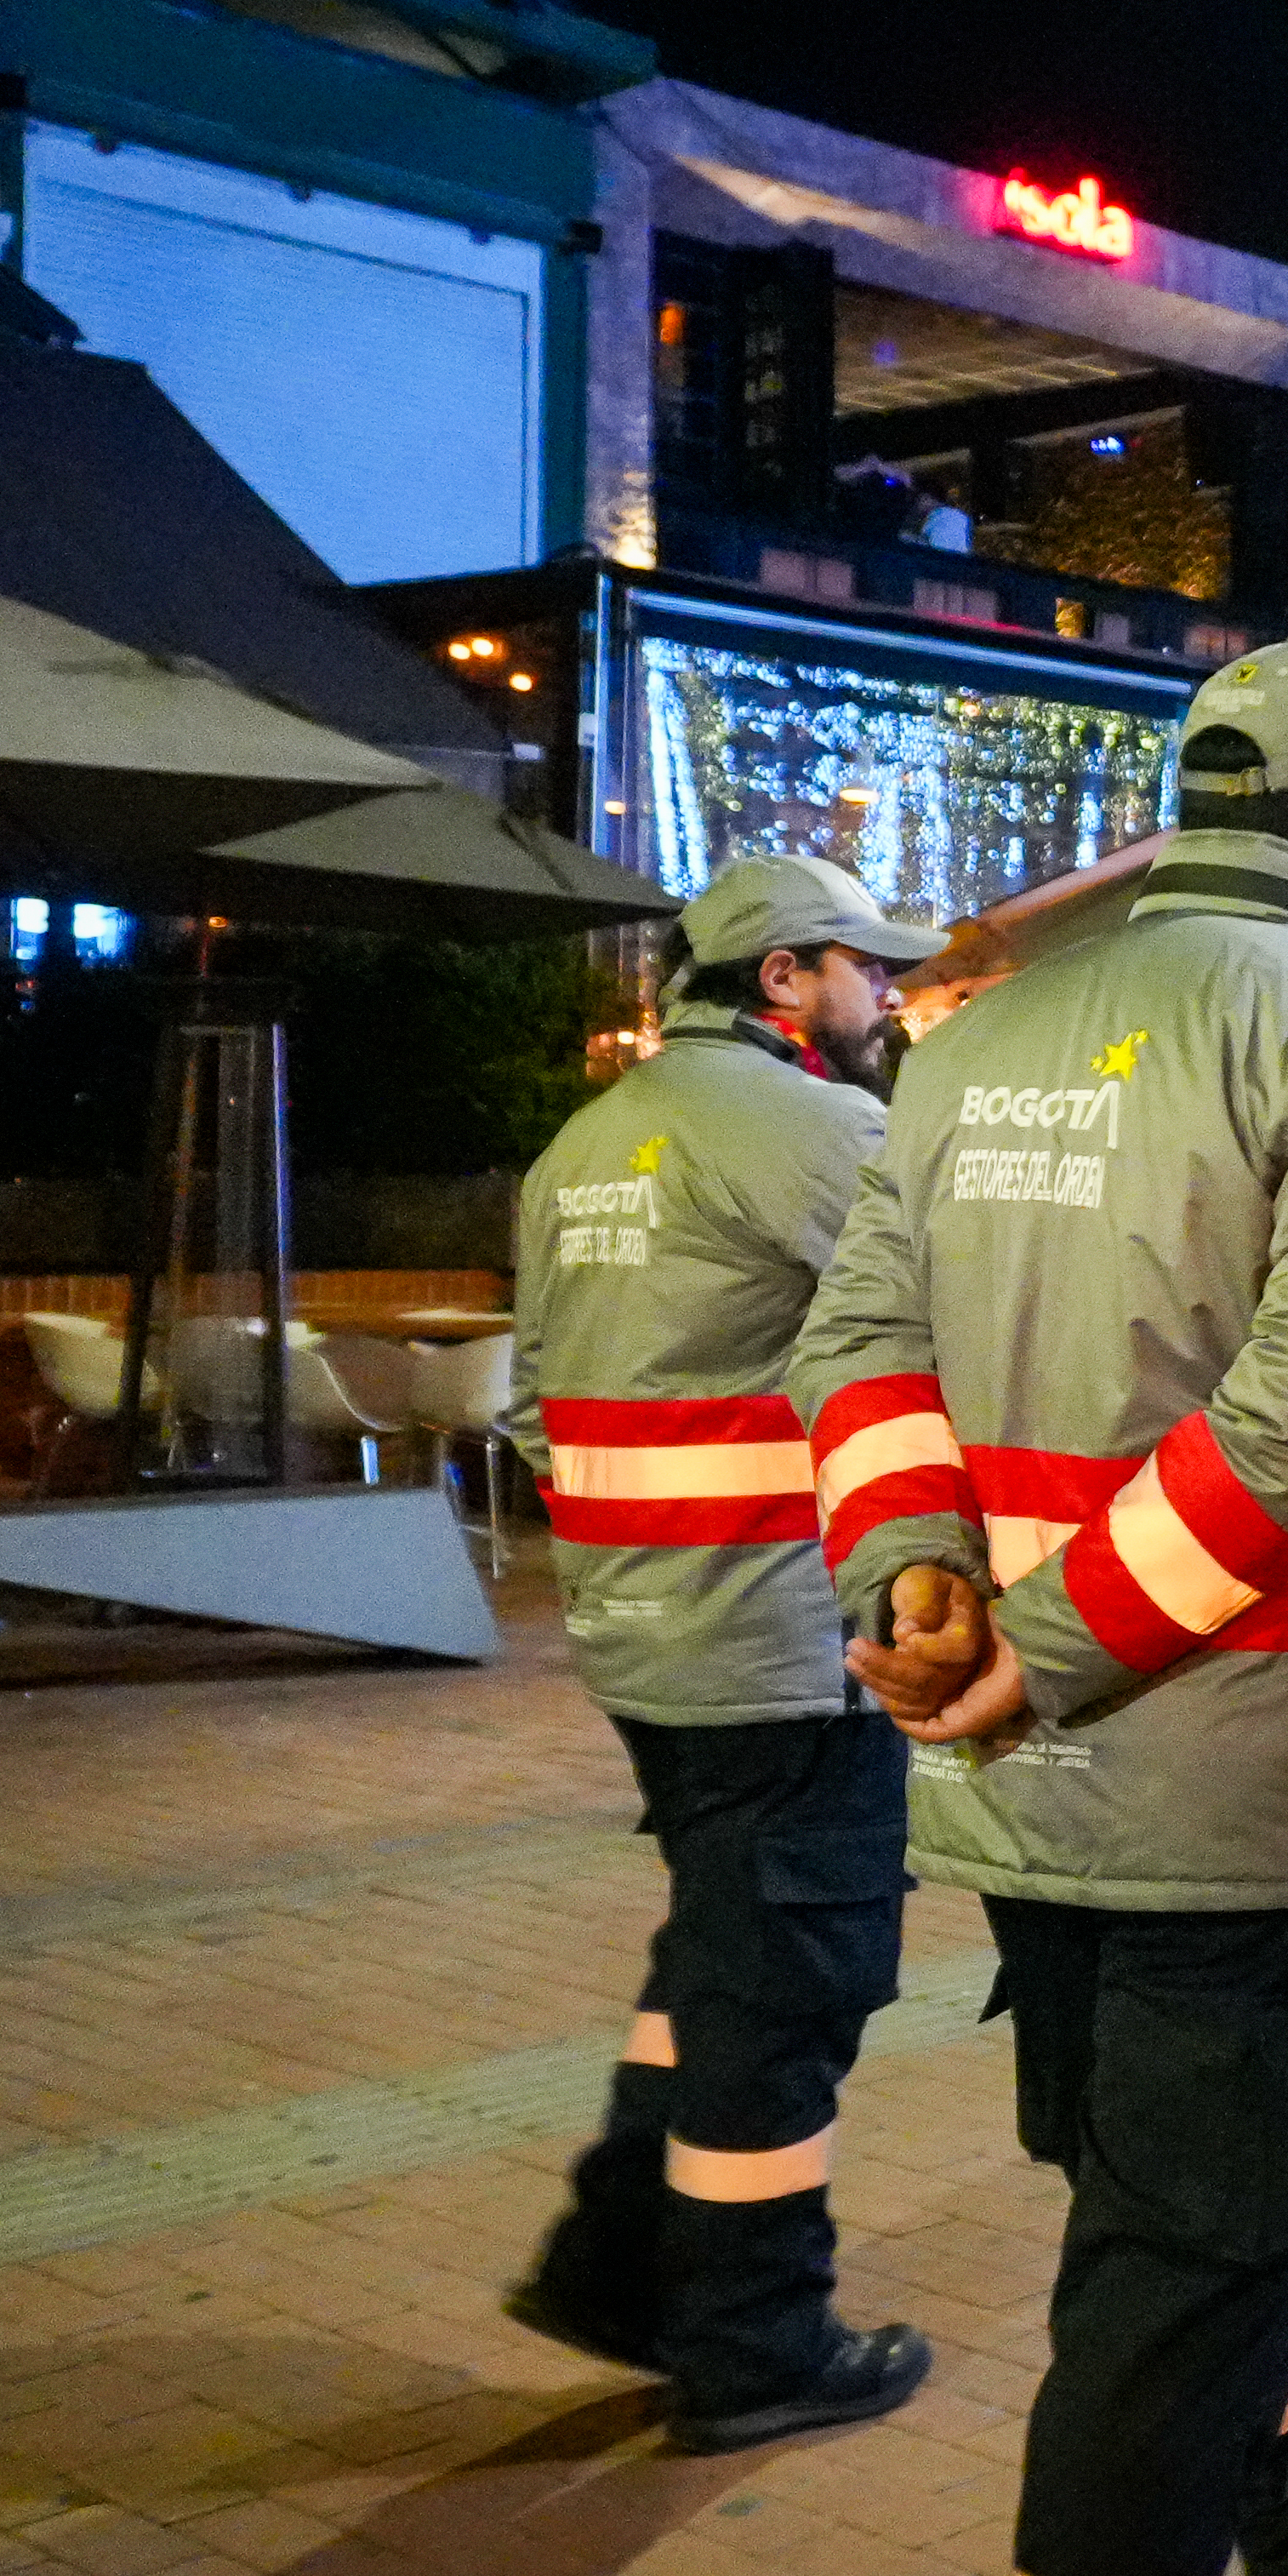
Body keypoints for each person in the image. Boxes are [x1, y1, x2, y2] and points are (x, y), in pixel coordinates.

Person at [800, 640, 1288, 2576]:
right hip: (1242, 1780)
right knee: (1192, 2268)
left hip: (1024, 1778)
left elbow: (859, 1339)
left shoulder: (980, 1036)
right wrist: (1053, 1644)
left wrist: (916, 1581)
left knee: (1175, 2219)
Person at [500, 853, 951, 2453]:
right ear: (783, 979)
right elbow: (957, 1315)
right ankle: (755, 2342)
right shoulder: (816, 1130)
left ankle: (620, 2265)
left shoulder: (584, 1144)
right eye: (866, 966)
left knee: (716, 1950)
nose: (885, 993)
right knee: (786, 1990)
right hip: (780, 1635)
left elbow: (531, 1399)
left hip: (640, 1628)